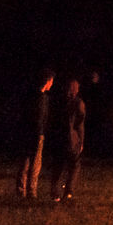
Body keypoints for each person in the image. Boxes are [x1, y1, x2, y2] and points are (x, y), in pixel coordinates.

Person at [51, 77, 87, 202]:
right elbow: (80, 124)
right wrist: (81, 140)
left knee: (59, 165)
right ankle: (69, 190)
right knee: (75, 165)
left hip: (60, 138)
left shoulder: (60, 102)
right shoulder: (78, 103)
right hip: (72, 139)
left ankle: (55, 192)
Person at [18, 70, 53, 200]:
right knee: (35, 163)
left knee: (26, 161)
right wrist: (41, 132)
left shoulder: (31, 96)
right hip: (37, 134)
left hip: (27, 132)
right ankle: (31, 191)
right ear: (48, 81)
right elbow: (41, 118)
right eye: (51, 81)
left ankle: (21, 190)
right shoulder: (42, 99)